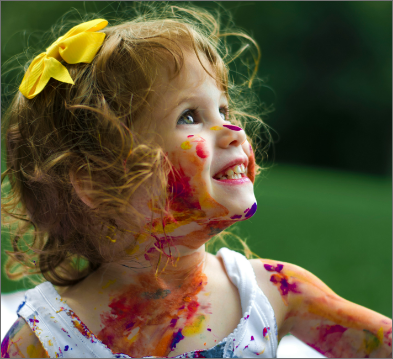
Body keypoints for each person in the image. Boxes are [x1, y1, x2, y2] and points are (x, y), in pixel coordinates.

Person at [1, 3, 391, 358]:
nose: (232, 129)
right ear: (97, 182)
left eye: (223, 108)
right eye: (190, 116)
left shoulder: (271, 293)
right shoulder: (46, 338)